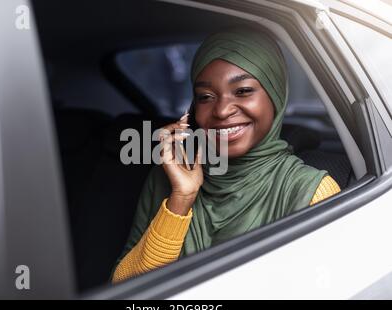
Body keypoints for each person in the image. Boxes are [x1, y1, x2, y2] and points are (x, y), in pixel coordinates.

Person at [111, 27, 341, 283]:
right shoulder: (171, 174)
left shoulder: (310, 192)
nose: (221, 110)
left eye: (242, 91)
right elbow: (123, 287)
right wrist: (182, 198)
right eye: (206, 96)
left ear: (276, 93)